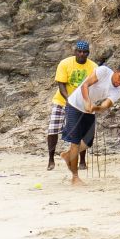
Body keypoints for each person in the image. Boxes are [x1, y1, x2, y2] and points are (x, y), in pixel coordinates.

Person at [60, 63, 120, 184]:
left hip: (90, 110)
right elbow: (85, 85)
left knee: (88, 142)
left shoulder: (117, 91)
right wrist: (87, 101)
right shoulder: (103, 71)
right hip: (74, 105)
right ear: (115, 71)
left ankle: (68, 156)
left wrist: (95, 108)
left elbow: (105, 106)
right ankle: (75, 177)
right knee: (75, 143)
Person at [47, 40, 97, 170]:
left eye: (84, 52)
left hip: (81, 104)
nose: (81, 54)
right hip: (62, 101)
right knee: (53, 129)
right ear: (75, 52)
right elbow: (61, 84)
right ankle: (51, 159)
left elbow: (94, 87)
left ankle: (82, 161)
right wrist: (69, 99)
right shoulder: (65, 63)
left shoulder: (93, 67)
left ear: (88, 53)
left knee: (81, 132)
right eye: (79, 51)